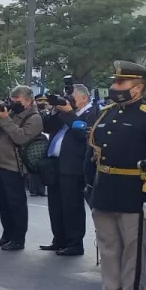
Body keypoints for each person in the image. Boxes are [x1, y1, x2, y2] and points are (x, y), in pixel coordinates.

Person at [86, 62, 146, 290]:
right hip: (105, 188)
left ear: (138, 88)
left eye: (121, 83)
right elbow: (94, 150)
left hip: (134, 191)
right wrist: (89, 184)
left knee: (133, 252)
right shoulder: (106, 113)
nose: (114, 87)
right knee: (108, 248)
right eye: (114, 82)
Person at [40, 85, 96, 256]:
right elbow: (47, 128)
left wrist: (69, 112)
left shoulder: (92, 113)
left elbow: (83, 134)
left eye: (72, 97)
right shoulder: (63, 113)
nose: (68, 100)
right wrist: (56, 110)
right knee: (55, 205)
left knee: (71, 206)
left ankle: (74, 243)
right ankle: (59, 239)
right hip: (55, 163)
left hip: (73, 166)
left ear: (84, 98)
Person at [0, 86, 43, 251]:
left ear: (28, 100)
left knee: (16, 204)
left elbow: (20, 137)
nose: (13, 103)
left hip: (15, 166)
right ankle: (7, 235)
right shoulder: (11, 113)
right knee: (3, 203)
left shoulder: (34, 117)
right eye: (12, 99)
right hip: (0, 164)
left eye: (17, 100)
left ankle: (18, 239)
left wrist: (5, 119)